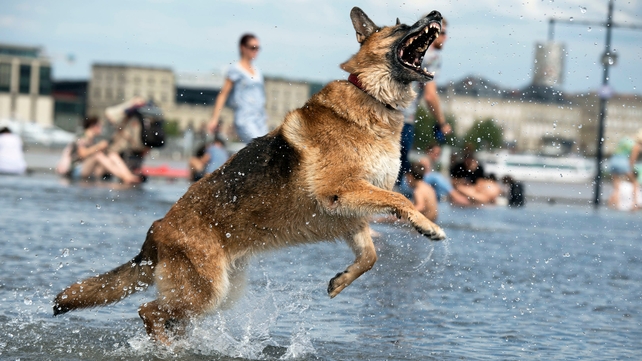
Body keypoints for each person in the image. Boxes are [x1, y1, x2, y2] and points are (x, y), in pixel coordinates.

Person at [397, 17, 450, 186]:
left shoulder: (406, 50)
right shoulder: (433, 56)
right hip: (404, 119)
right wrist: (442, 123)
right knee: (400, 176)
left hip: (385, 113)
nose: (445, 38)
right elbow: (430, 96)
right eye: (442, 33)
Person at [207, 33, 268, 143]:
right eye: (253, 48)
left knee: (267, 150)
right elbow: (223, 94)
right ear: (242, 48)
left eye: (258, 48)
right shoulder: (235, 69)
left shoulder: (257, 71)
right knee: (260, 147)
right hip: (245, 119)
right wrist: (214, 118)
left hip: (260, 119)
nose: (256, 51)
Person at [70, 117, 141, 185]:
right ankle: (125, 177)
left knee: (112, 155)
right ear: (93, 126)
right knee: (98, 155)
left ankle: (128, 175)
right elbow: (82, 154)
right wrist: (98, 147)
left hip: (91, 170)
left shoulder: (93, 139)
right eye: (100, 125)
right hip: (77, 169)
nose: (102, 128)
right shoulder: (82, 136)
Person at [607, 130, 642, 211]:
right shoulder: (636, 146)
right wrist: (632, 170)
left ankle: (614, 203)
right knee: (635, 183)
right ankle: (634, 203)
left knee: (616, 186)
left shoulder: (625, 139)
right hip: (623, 163)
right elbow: (632, 160)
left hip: (613, 161)